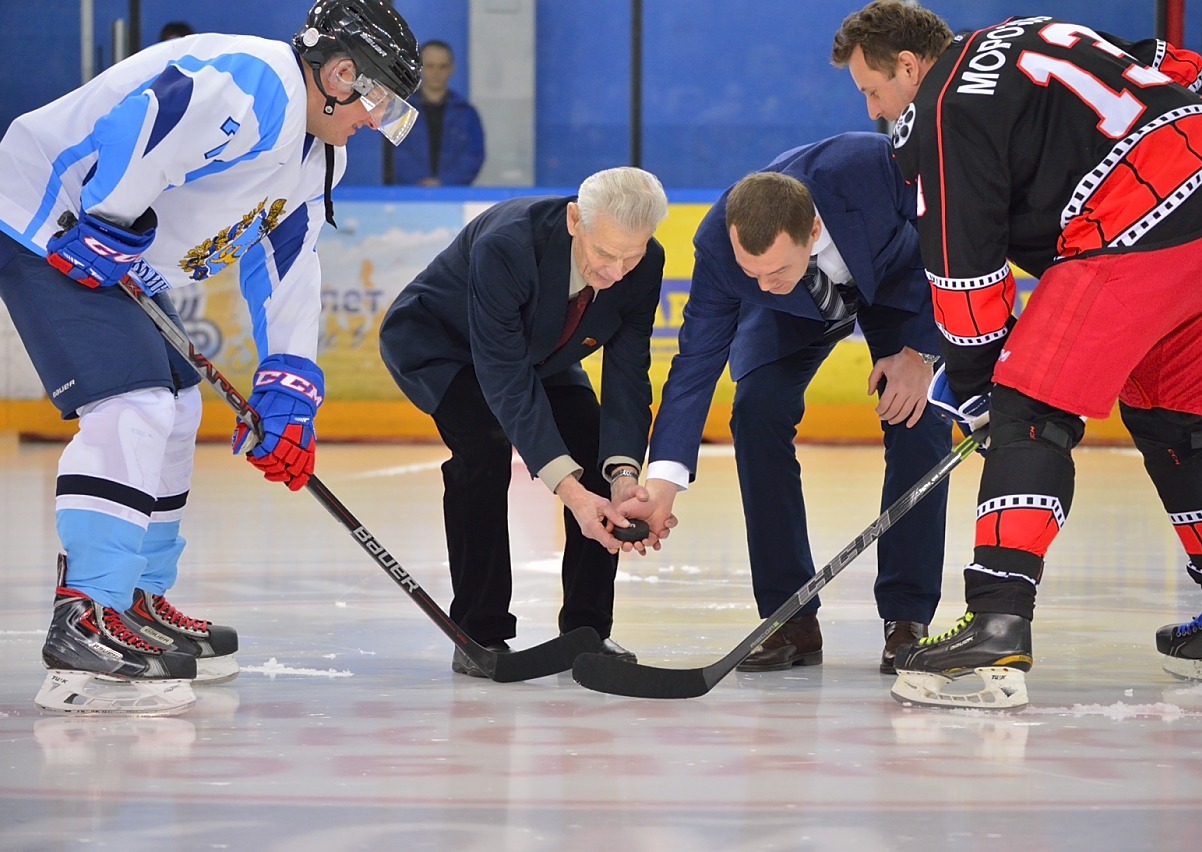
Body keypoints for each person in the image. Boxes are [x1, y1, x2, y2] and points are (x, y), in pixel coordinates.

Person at [834, 1, 1202, 707]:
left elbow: (966, 274)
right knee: (1172, 422)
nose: (873, 107)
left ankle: (995, 629)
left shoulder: (944, 108)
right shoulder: (1028, 29)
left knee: (1028, 411)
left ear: (910, 66)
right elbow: (1173, 65)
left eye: (872, 88)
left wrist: (983, 396)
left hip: (1139, 220)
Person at [0, 0, 422, 715]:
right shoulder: (256, 83)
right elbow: (154, 114)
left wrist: (289, 390)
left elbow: (287, 267)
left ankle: (134, 600)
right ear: (342, 74)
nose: (376, 120)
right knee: (132, 403)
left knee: (178, 403)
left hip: (119, 256)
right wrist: (109, 216)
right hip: (50, 223)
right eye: (379, 99)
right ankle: (83, 623)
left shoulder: (323, 152)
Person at [621, 134, 951, 675]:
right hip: (800, 312)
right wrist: (663, 480)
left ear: (813, 230)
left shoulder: (875, 168)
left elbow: (949, 240)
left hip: (898, 282)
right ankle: (789, 616)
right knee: (756, 412)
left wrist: (920, 351)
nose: (763, 285)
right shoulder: (729, 252)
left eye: (773, 270)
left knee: (919, 419)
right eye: (753, 274)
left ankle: (907, 617)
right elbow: (695, 365)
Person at [379, 167, 668, 676]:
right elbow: (504, 379)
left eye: (632, 256)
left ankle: (586, 632)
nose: (617, 272)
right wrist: (574, 495)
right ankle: (479, 631)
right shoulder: (508, 244)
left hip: (543, 355)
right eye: (605, 255)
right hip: (446, 349)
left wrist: (622, 476)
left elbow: (628, 372)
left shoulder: (643, 265)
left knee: (597, 450)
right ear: (575, 220)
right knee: (484, 451)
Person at [392, 40, 485, 186]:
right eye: (430, 66)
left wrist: (444, 182)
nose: (436, 72)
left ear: (452, 69)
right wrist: (421, 181)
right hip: (407, 196)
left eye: (442, 66)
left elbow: (473, 156)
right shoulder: (400, 110)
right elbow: (393, 153)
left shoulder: (467, 113)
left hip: (453, 197)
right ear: (419, 68)